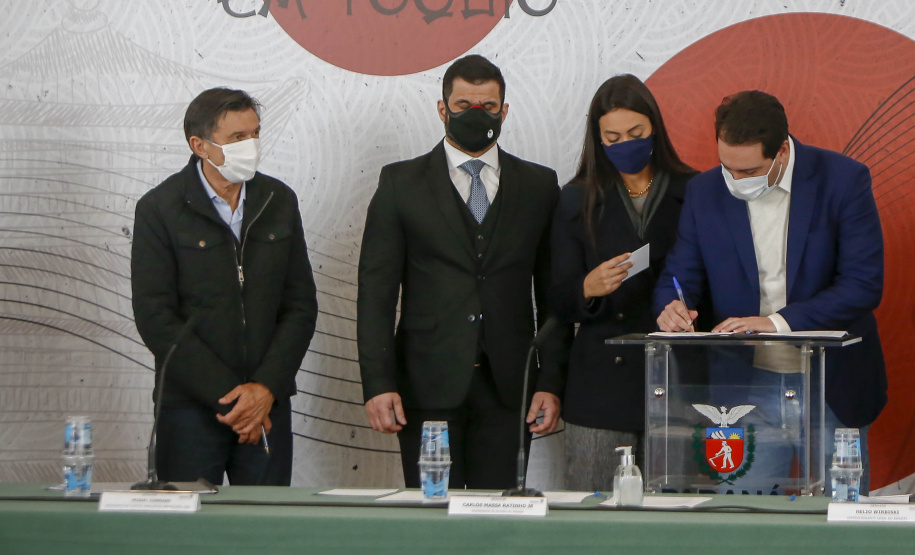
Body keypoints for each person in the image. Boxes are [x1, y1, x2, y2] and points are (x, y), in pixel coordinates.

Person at [655, 90, 886, 494]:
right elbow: (679, 274)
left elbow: (862, 283)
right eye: (727, 167)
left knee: (838, 514)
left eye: (749, 171)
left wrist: (777, 323)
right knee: (740, 512)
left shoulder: (842, 180)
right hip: (742, 387)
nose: (735, 180)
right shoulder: (704, 191)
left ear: (782, 151)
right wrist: (672, 306)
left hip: (829, 383)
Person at [358, 54, 567, 490]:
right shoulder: (400, 183)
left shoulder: (539, 186)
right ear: (442, 109)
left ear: (504, 111)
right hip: (425, 386)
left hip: (510, 388)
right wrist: (378, 383)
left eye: (488, 106)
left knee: (501, 512)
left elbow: (554, 296)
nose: (477, 114)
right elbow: (376, 294)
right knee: (432, 516)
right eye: (463, 105)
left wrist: (550, 381)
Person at [131, 88, 318, 485]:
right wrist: (233, 399)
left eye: (255, 133)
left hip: (267, 405)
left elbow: (300, 305)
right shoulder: (159, 208)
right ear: (199, 145)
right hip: (189, 409)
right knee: (188, 523)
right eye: (237, 138)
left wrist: (264, 389)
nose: (251, 145)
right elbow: (155, 318)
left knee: (265, 520)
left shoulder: (278, 200)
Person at [549, 74, 698, 491]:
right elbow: (556, 297)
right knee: (593, 508)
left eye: (636, 133)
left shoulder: (695, 189)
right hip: (601, 384)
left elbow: (717, 275)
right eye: (613, 138)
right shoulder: (576, 198)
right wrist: (587, 288)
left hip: (677, 378)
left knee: (677, 510)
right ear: (598, 140)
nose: (625, 144)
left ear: (655, 128)